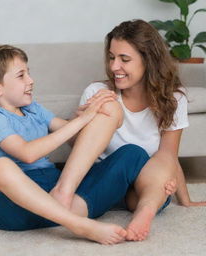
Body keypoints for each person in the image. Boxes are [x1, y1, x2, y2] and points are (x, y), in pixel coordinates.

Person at [0, 44, 154, 245]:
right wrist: (81, 121)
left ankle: (65, 205)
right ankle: (77, 223)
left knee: (133, 153)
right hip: (10, 204)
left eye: (29, 73)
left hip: (53, 190)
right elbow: (27, 154)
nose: (31, 80)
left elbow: (72, 135)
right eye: (21, 75)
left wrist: (94, 114)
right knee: (0, 168)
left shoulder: (32, 108)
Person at [50, 19, 206, 242]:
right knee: (136, 162)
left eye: (124, 59)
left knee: (158, 173)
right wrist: (81, 119)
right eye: (112, 57)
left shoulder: (173, 98)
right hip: (104, 179)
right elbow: (78, 149)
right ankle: (148, 201)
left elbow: (168, 155)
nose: (114, 66)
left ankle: (145, 211)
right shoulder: (99, 92)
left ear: (148, 60)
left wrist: (185, 199)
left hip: (143, 185)